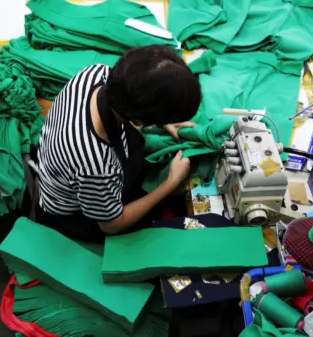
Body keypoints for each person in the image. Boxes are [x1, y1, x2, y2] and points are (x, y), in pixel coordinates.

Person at [35, 45, 202, 243]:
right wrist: (170, 182)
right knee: (151, 232)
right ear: (140, 118)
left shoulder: (95, 73)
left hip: (61, 165)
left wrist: (164, 119)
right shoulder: (96, 162)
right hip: (71, 215)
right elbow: (112, 225)